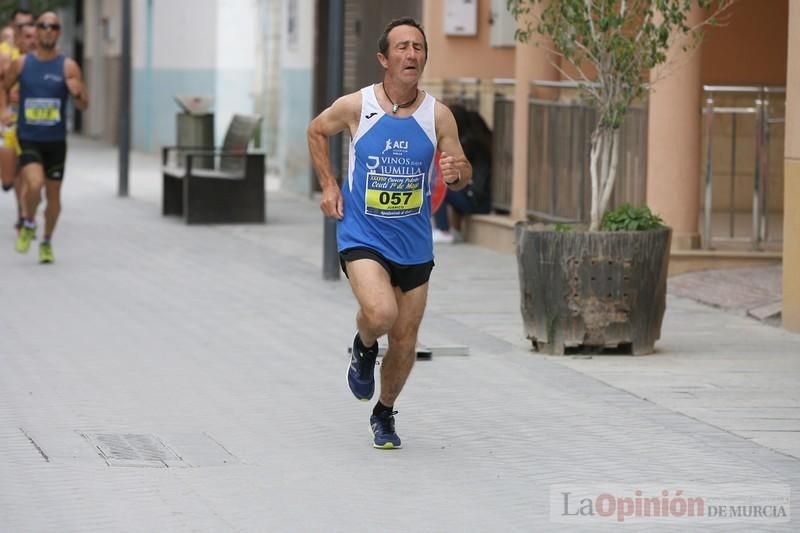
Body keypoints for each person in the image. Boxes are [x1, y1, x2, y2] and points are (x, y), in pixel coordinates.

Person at [307, 17, 472, 449]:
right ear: (384, 58)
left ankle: (384, 412)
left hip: (414, 243)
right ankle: (363, 345)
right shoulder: (357, 106)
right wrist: (328, 185)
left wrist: (457, 173)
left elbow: (460, 171)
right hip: (362, 234)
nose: (411, 54)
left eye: (418, 47)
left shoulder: (438, 115)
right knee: (382, 315)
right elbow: (316, 131)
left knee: (403, 340)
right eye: (402, 47)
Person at [1, 11, 88, 263]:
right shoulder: (22, 64)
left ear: (59, 33)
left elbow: (84, 105)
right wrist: (3, 110)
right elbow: (3, 86)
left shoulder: (68, 66)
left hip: (56, 143)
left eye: (53, 27)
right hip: (28, 137)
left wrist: (78, 93)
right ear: (36, 32)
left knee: (54, 199)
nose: (48, 30)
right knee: (34, 183)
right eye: (43, 26)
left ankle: (47, 240)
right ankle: (28, 222)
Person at [432, 104, 493, 244]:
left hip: (478, 202)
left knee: (440, 187)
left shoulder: (469, 145)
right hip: (479, 199)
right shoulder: (477, 142)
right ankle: (452, 230)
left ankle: (443, 231)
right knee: (448, 183)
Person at [0, 17, 37, 231]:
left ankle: (25, 214)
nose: (32, 41)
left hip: (35, 124)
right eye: (27, 37)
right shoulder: (8, 60)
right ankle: (21, 211)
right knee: (11, 177)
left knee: (28, 170)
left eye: (34, 37)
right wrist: (4, 110)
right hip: (13, 120)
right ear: (18, 38)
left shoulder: (44, 60)